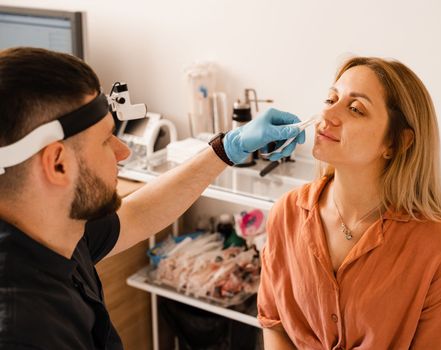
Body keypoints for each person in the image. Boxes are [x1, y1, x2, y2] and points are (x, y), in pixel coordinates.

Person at [0, 47, 304, 349]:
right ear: (57, 164)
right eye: (107, 139)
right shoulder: (24, 331)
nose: (124, 152)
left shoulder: (52, 227)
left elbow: (136, 214)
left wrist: (227, 147)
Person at [257, 56, 441, 349]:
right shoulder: (287, 213)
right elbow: (275, 324)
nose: (328, 114)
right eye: (331, 99)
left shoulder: (435, 245)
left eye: (356, 109)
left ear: (395, 143)